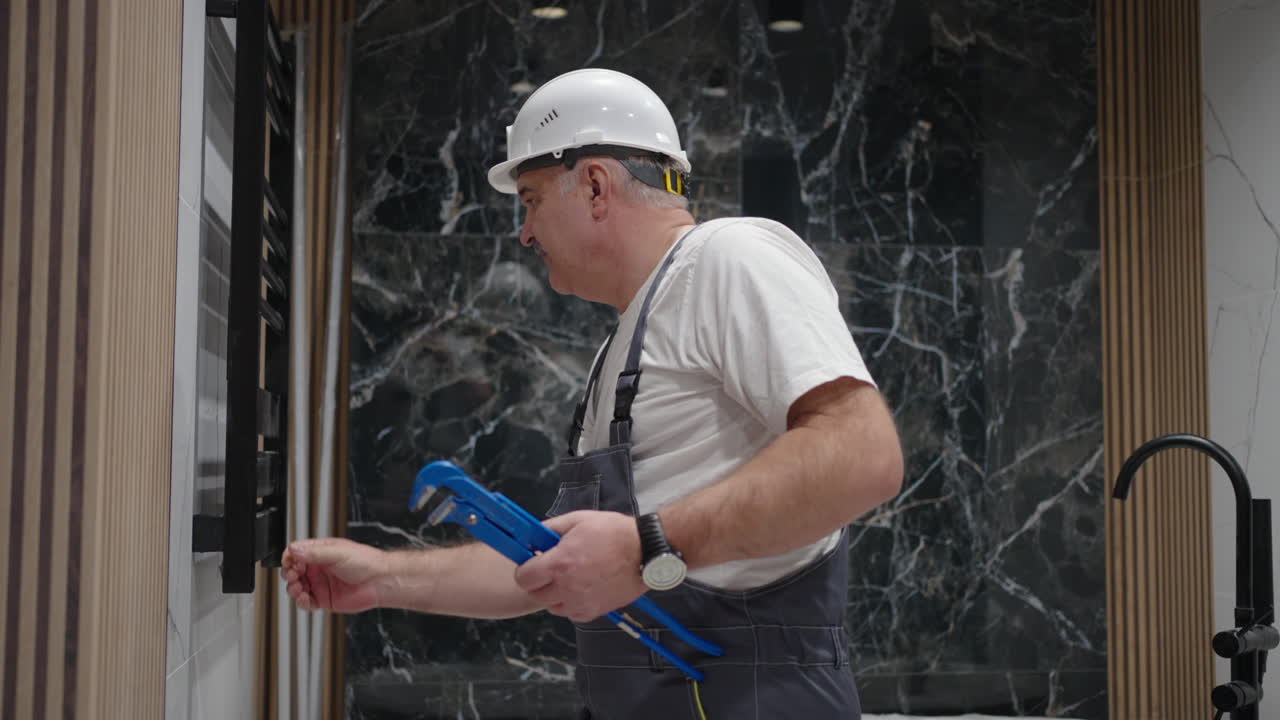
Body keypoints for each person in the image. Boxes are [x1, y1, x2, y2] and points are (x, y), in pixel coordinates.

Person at [282, 68, 903, 719]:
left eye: (530, 199)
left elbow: (862, 453)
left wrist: (644, 548)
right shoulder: (628, 342)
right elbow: (549, 564)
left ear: (597, 185)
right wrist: (380, 576)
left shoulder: (730, 258)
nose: (523, 233)